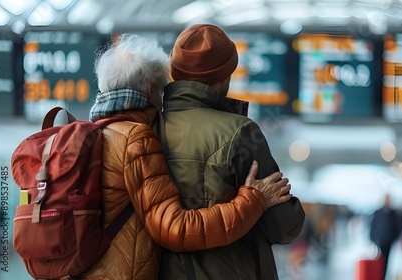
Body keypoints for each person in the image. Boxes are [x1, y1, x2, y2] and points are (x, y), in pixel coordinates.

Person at [79, 34, 292, 280]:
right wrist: (253, 200)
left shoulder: (94, 134)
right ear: (150, 89)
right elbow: (175, 229)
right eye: (161, 90)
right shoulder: (136, 138)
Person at [161, 23, 305, 280]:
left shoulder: (145, 130)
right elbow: (285, 226)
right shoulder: (240, 133)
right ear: (225, 76)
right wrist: (256, 202)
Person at [369, 193, 402, 280]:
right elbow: (373, 227)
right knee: (378, 262)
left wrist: (396, 239)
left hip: (389, 242)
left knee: (386, 263)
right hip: (379, 242)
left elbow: (399, 227)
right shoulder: (378, 213)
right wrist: (373, 239)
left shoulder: (394, 214)